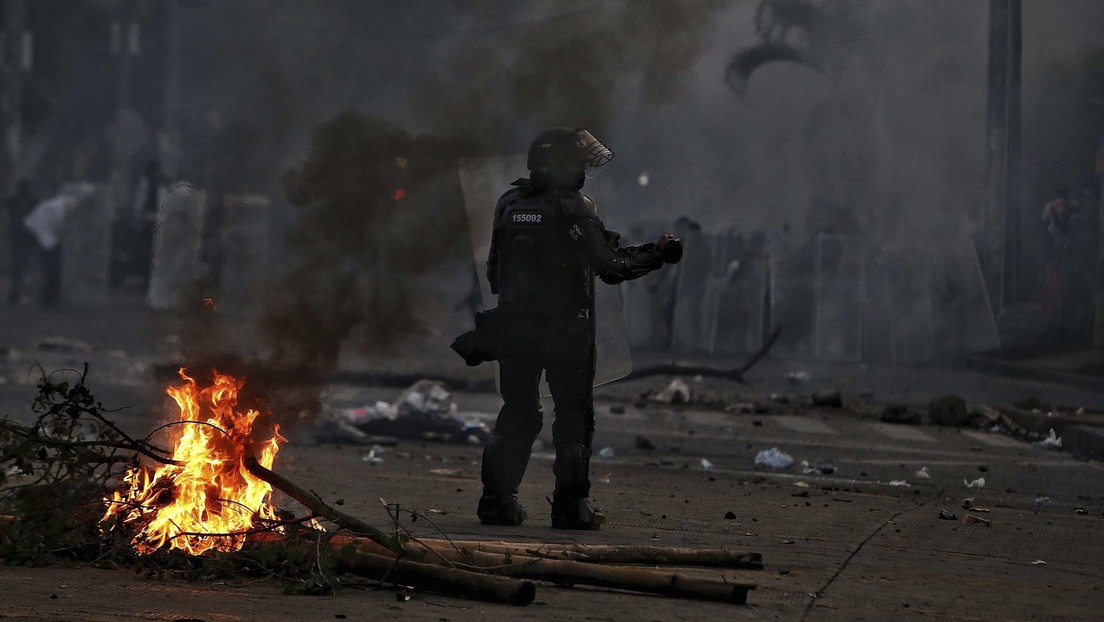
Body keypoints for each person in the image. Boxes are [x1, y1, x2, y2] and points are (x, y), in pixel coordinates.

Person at [473, 127, 683, 529]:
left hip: (515, 327)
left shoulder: (509, 203)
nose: (583, 170)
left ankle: (496, 503)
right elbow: (611, 266)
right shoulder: (574, 206)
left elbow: (495, 274)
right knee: (573, 416)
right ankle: (571, 508)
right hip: (565, 331)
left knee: (517, 411)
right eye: (576, 162)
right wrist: (656, 255)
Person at [4, 179, 38, 304]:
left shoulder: (13, 199)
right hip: (27, 235)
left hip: (17, 235)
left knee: (17, 266)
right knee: (26, 265)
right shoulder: (33, 200)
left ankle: (15, 292)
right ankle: (22, 292)